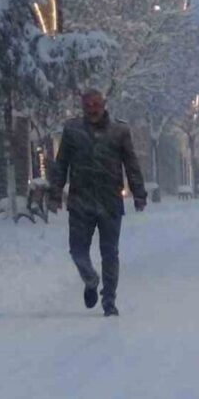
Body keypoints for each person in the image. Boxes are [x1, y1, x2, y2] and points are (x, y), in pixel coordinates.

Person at [47, 89, 147, 317]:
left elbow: (131, 164)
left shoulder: (119, 131)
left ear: (104, 105)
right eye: (87, 105)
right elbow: (61, 164)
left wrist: (139, 193)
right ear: (83, 107)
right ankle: (91, 279)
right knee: (77, 251)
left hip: (110, 201)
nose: (92, 109)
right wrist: (55, 192)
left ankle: (109, 301)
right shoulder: (72, 130)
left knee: (109, 253)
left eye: (96, 104)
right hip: (80, 202)